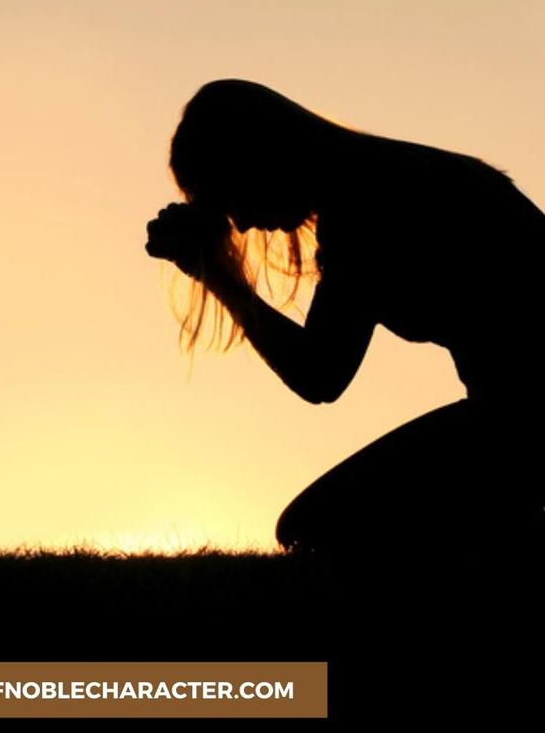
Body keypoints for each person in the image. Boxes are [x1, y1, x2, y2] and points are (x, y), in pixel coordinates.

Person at [145, 78, 545, 563]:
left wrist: (223, 281)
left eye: (233, 198)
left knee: (315, 527)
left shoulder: (365, 206)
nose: (245, 224)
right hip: (513, 419)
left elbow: (320, 374)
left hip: (525, 422)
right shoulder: (388, 175)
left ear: (259, 157)